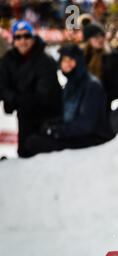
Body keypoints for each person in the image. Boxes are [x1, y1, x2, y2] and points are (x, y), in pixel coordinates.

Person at [24, 45, 112, 156]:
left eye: (71, 60)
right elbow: (68, 116)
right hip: (75, 134)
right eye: (64, 60)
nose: (67, 64)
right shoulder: (70, 85)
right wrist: (54, 124)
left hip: (91, 139)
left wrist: (59, 131)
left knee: (34, 143)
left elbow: (87, 123)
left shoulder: (91, 86)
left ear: (79, 62)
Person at [0, 20, 62, 158]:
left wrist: (17, 98)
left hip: (46, 114)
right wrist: (13, 98)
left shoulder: (45, 59)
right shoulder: (9, 60)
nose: (22, 41)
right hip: (23, 112)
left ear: (33, 37)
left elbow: (45, 93)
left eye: (26, 36)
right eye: (18, 37)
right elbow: (2, 86)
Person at [80, 22, 117, 105]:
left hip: (103, 102)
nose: (100, 39)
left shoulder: (110, 57)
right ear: (88, 39)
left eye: (102, 36)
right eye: (96, 36)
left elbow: (114, 84)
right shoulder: (80, 57)